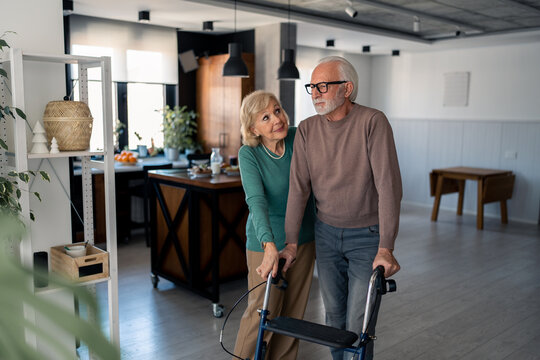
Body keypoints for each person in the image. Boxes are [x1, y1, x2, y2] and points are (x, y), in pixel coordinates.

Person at [284, 56, 402, 360]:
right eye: (312, 87)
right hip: (326, 234)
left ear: (347, 88)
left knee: (358, 322)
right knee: (333, 318)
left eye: (323, 86)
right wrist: (291, 242)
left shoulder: (373, 122)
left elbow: (388, 187)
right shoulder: (307, 130)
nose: (316, 94)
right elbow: (299, 188)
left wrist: (386, 247)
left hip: (367, 236)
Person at [233, 90, 316, 360]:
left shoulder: (297, 137)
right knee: (261, 313)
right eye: (265, 117)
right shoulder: (249, 154)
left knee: (293, 317)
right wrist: (269, 245)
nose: (276, 120)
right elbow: (256, 202)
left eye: (277, 110)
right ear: (253, 128)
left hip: (303, 239)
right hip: (265, 242)